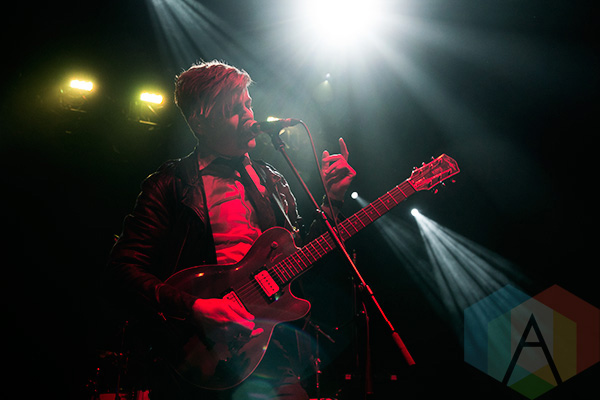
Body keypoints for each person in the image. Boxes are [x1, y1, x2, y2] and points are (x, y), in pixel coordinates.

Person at [105, 60, 356, 399]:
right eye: (235, 110)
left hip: (270, 352)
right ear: (201, 122)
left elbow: (300, 264)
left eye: (248, 104)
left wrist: (332, 201)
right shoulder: (170, 184)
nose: (250, 117)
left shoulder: (273, 181)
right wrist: (195, 307)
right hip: (195, 353)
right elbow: (121, 270)